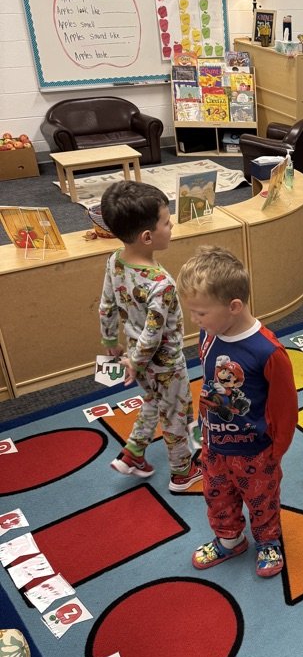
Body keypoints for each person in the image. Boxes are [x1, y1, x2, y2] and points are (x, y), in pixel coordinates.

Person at [176, 246, 298, 577]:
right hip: (215, 445)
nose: (194, 320)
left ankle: (268, 540)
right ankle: (230, 540)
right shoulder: (209, 333)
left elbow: (286, 408)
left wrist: (277, 448)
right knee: (217, 496)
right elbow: (209, 382)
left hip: (256, 450)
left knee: (262, 501)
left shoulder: (268, 351)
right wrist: (203, 429)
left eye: (200, 313)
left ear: (234, 307)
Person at [98, 181, 201, 492]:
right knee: (175, 412)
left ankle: (133, 453)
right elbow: (154, 334)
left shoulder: (115, 260)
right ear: (147, 237)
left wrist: (111, 344)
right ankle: (182, 472)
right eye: (166, 222)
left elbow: (106, 306)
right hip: (166, 363)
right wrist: (135, 361)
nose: (171, 227)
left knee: (153, 402)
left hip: (135, 355)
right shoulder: (162, 283)